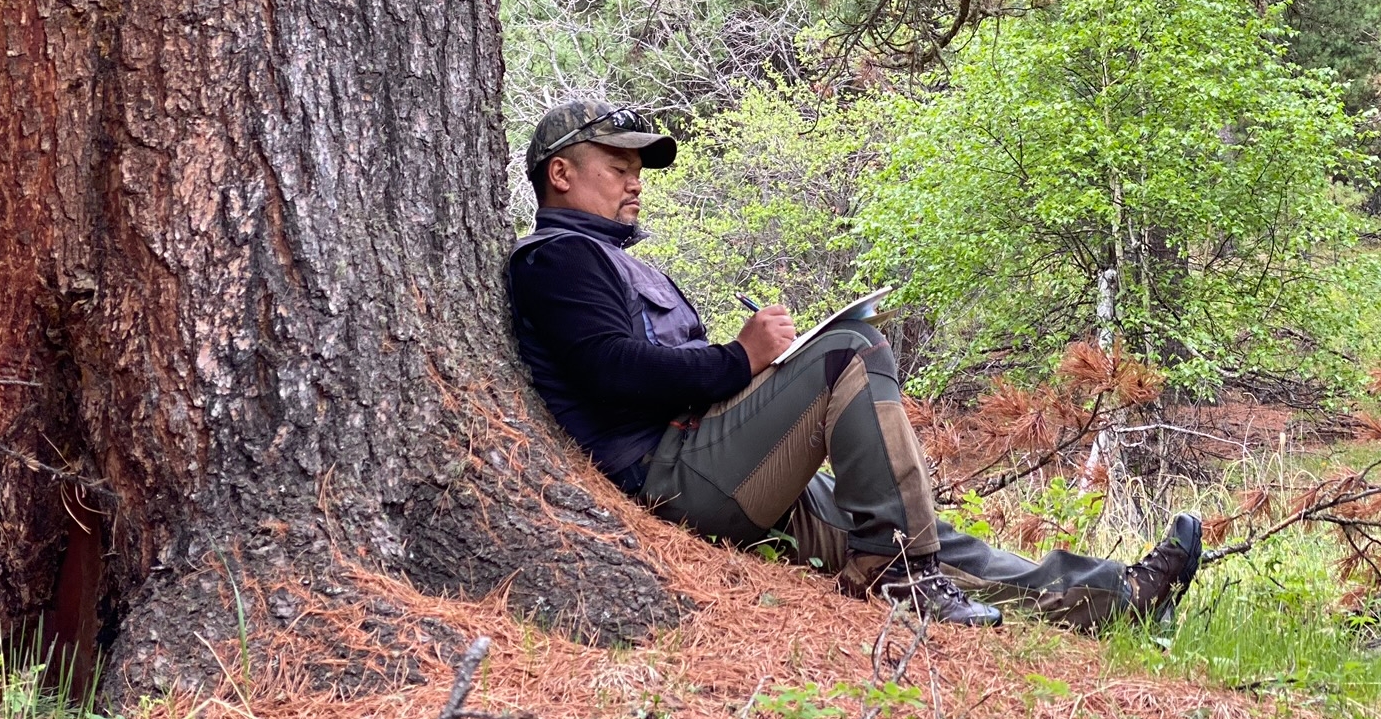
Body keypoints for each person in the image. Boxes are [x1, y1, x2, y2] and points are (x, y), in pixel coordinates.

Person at [504, 101, 1205, 629]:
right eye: (618, 169)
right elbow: (612, 373)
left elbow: (653, 366)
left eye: (637, 172)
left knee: (911, 529)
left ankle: (1117, 596)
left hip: (703, 460)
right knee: (852, 347)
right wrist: (742, 357)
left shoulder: (619, 263)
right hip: (666, 476)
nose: (635, 185)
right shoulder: (559, 258)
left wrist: (750, 372)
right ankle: (899, 578)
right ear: (560, 174)